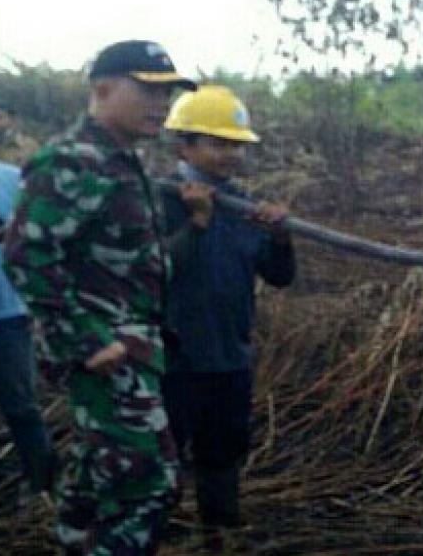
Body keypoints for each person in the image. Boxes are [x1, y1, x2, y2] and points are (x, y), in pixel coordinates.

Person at [3, 39, 197, 555]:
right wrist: (86, 341)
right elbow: (26, 256)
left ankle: (77, 543)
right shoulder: (74, 160)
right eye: (149, 90)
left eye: (170, 93)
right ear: (103, 88)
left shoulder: (121, 159)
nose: (163, 104)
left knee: (95, 477)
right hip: (106, 355)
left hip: (129, 347)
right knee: (151, 487)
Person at [158, 85, 296, 541]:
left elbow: (278, 277)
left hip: (228, 357)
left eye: (237, 144)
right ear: (184, 145)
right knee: (160, 462)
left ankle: (219, 536)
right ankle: (150, 538)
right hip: (169, 360)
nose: (231, 154)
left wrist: (280, 237)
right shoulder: (155, 200)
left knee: (222, 454)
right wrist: (195, 224)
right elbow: (149, 272)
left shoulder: (242, 207)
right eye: (219, 143)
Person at [0, 104, 58, 500]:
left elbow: (42, 240)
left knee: (22, 407)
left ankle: (42, 487)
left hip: (6, 317)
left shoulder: (12, 181)